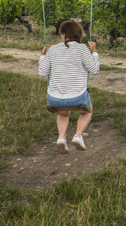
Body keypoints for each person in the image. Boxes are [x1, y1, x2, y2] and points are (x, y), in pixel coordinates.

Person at [38, 20, 99, 154]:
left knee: (63, 113)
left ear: (64, 34)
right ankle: (77, 136)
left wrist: (43, 56)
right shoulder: (82, 48)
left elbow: (42, 73)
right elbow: (94, 70)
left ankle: (61, 138)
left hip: (54, 98)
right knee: (87, 111)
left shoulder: (53, 49)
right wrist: (94, 52)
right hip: (77, 97)